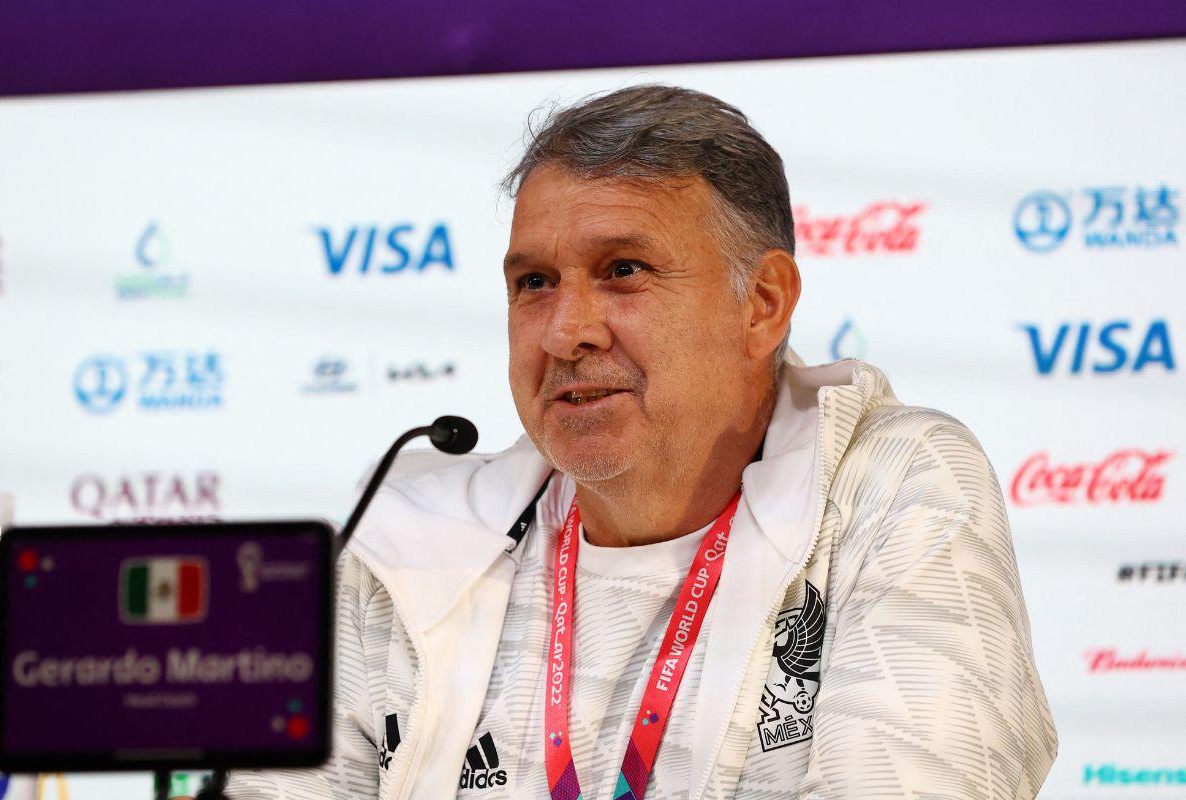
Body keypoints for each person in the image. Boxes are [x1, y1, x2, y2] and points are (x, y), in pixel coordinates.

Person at [224, 85, 1057, 799]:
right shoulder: (407, 546)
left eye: (623, 270)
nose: (565, 331)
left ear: (763, 303)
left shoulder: (895, 488)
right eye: (535, 284)